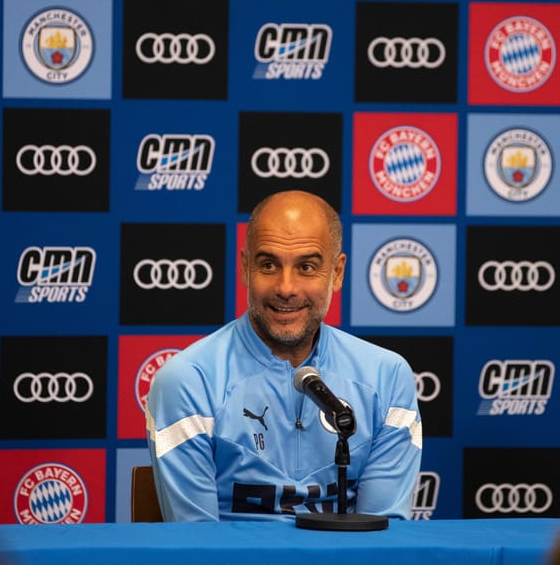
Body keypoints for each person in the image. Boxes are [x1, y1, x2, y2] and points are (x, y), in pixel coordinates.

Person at [145, 190, 422, 521]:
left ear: (337, 272)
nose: (286, 287)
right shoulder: (187, 381)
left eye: (306, 266)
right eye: (268, 265)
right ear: (246, 268)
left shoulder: (387, 378)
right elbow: (198, 546)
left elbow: (382, 538)